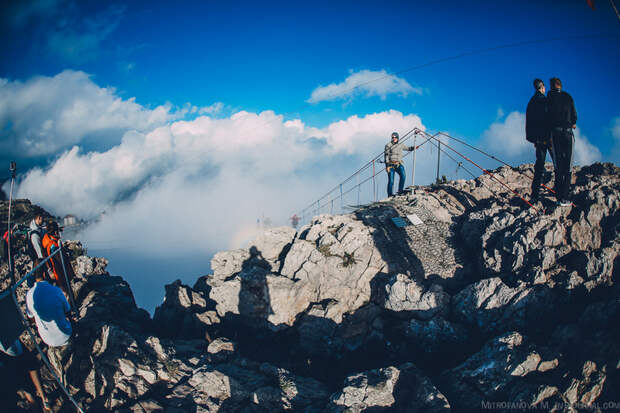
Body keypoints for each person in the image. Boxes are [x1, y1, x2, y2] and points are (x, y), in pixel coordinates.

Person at [547, 77, 577, 206]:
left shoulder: (549, 98)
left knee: (558, 165)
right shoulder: (568, 97)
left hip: (555, 133)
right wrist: (572, 123)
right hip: (568, 132)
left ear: (552, 86)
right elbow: (575, 115)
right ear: (560, 85)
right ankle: (565, 197)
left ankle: (559, 197)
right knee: (568, 165)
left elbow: (546, 117)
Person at [26, 265, 72, 348]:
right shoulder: (56, 290)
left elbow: (30, 317)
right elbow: (68, 310)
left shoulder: (29, 294)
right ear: (44, 274)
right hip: (65, 335)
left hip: (46, 339)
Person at [525, 78, 553, 202]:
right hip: (548, 138)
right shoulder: (546, 101)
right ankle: (561, 192)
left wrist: (533, 139)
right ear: (542, 87)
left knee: (539, 166)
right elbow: (551, 118)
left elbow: (529, 122)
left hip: (538, 139)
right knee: (557, 164)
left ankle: (535, 194)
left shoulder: (531, 102)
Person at [384, 131, 414, 197]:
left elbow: (407, 148)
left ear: (398, 138)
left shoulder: (401, 144)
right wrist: (387, 166)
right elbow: (386, 156)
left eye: (395, 137)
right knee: (391, 181)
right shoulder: (388, 145)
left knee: (403, 176)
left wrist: (413, 148)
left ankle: (400, 191)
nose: (394, 138)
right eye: (392, 137)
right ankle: (390, 194)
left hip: (398, 164)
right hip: (391, 165)